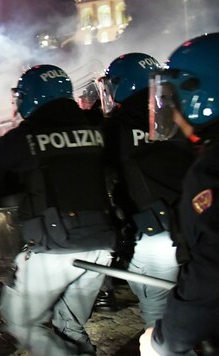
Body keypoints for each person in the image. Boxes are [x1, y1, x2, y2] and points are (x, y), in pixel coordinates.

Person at [0, 64, 117, 355]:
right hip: (102, 243)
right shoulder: (95, 129)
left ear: (31, 96)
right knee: (71, 326)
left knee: (20, 321)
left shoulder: (24, 137)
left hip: (55, 246)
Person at [98, 52, 195, 328]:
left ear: (122, 83)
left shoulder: (119, 125)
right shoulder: (183, 112)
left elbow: (100, 167)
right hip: (197, 221)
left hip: (157, 229)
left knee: (157, 310)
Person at [139, 32, 219, 356]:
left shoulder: (212, 171)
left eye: (171, 96)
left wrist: (165, 340)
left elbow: (213, 271)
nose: (168, 109)